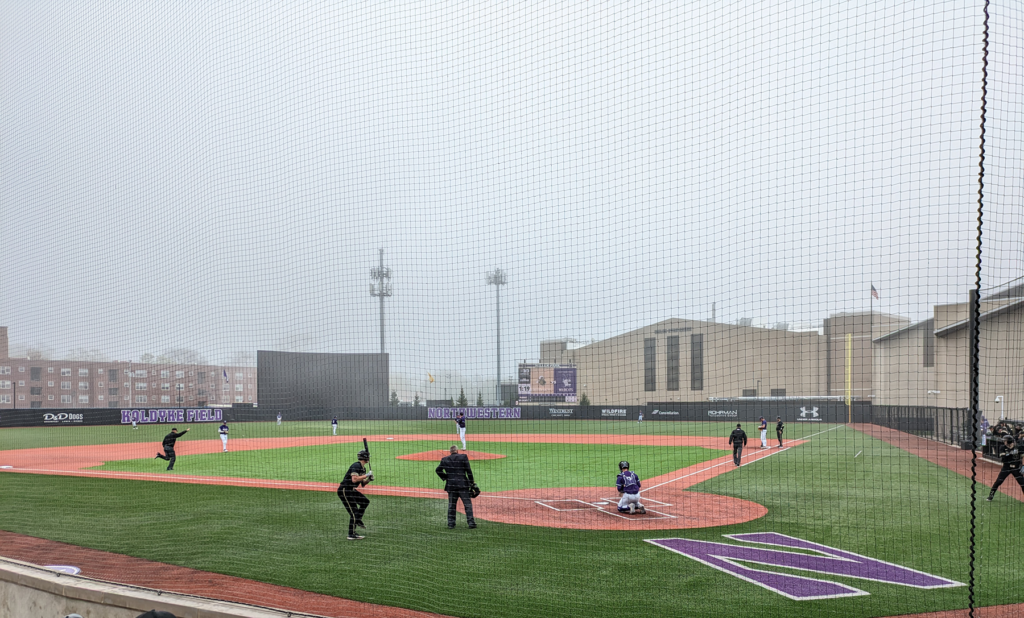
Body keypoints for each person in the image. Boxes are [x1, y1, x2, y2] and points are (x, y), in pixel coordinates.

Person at [436, 445, 477, 528]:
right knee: (467, 504)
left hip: (451, 485)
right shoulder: (463, 457)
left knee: (452, 505)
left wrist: (446, 477)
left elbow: (438, 470)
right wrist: (472, 482)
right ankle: (471, 523)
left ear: (450, 452)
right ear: (457, 451)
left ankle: (451, 524)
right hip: (463, 485)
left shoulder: (445, 460)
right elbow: (468, 470)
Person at [338, 449, 373, 540]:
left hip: (352, 490)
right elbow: (354, 479)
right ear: (365, 457)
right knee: (354, 512)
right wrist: (366, 475)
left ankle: (357, 520)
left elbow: (362, 484)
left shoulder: (363, 468)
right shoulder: (356, 465)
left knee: (365, 502)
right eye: (368, 456)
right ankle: (351, 534)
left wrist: (369, 479)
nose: (369, 458)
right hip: (345, 490)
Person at [987, 435, 1024, 501]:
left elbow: (1022, 457)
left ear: (1009, 441)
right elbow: (1003, 457)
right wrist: (1011, 453)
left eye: (1005, 440)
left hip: (1016, 468)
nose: (1004, 441)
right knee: (999, 481)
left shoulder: (1019, 447)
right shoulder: (1003, 447)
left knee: (1022, 482)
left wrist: (1023, 466)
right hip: (1006, 467)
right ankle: (990, 496)